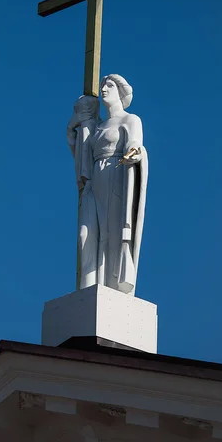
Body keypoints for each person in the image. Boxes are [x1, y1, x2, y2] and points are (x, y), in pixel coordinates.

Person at [67, 74, 148, 294]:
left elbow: (134, 142)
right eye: (102, 85)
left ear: (121, 92)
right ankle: (90, 286)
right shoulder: (96, 126)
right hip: (95, 182)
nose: (104, 89)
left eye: (109, 85)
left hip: (116, 177)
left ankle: (112, 288)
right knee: (87, 235)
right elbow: (82, 153)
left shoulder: (130, 119)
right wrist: (74, 127)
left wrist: (134, 150)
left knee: (112, 234)